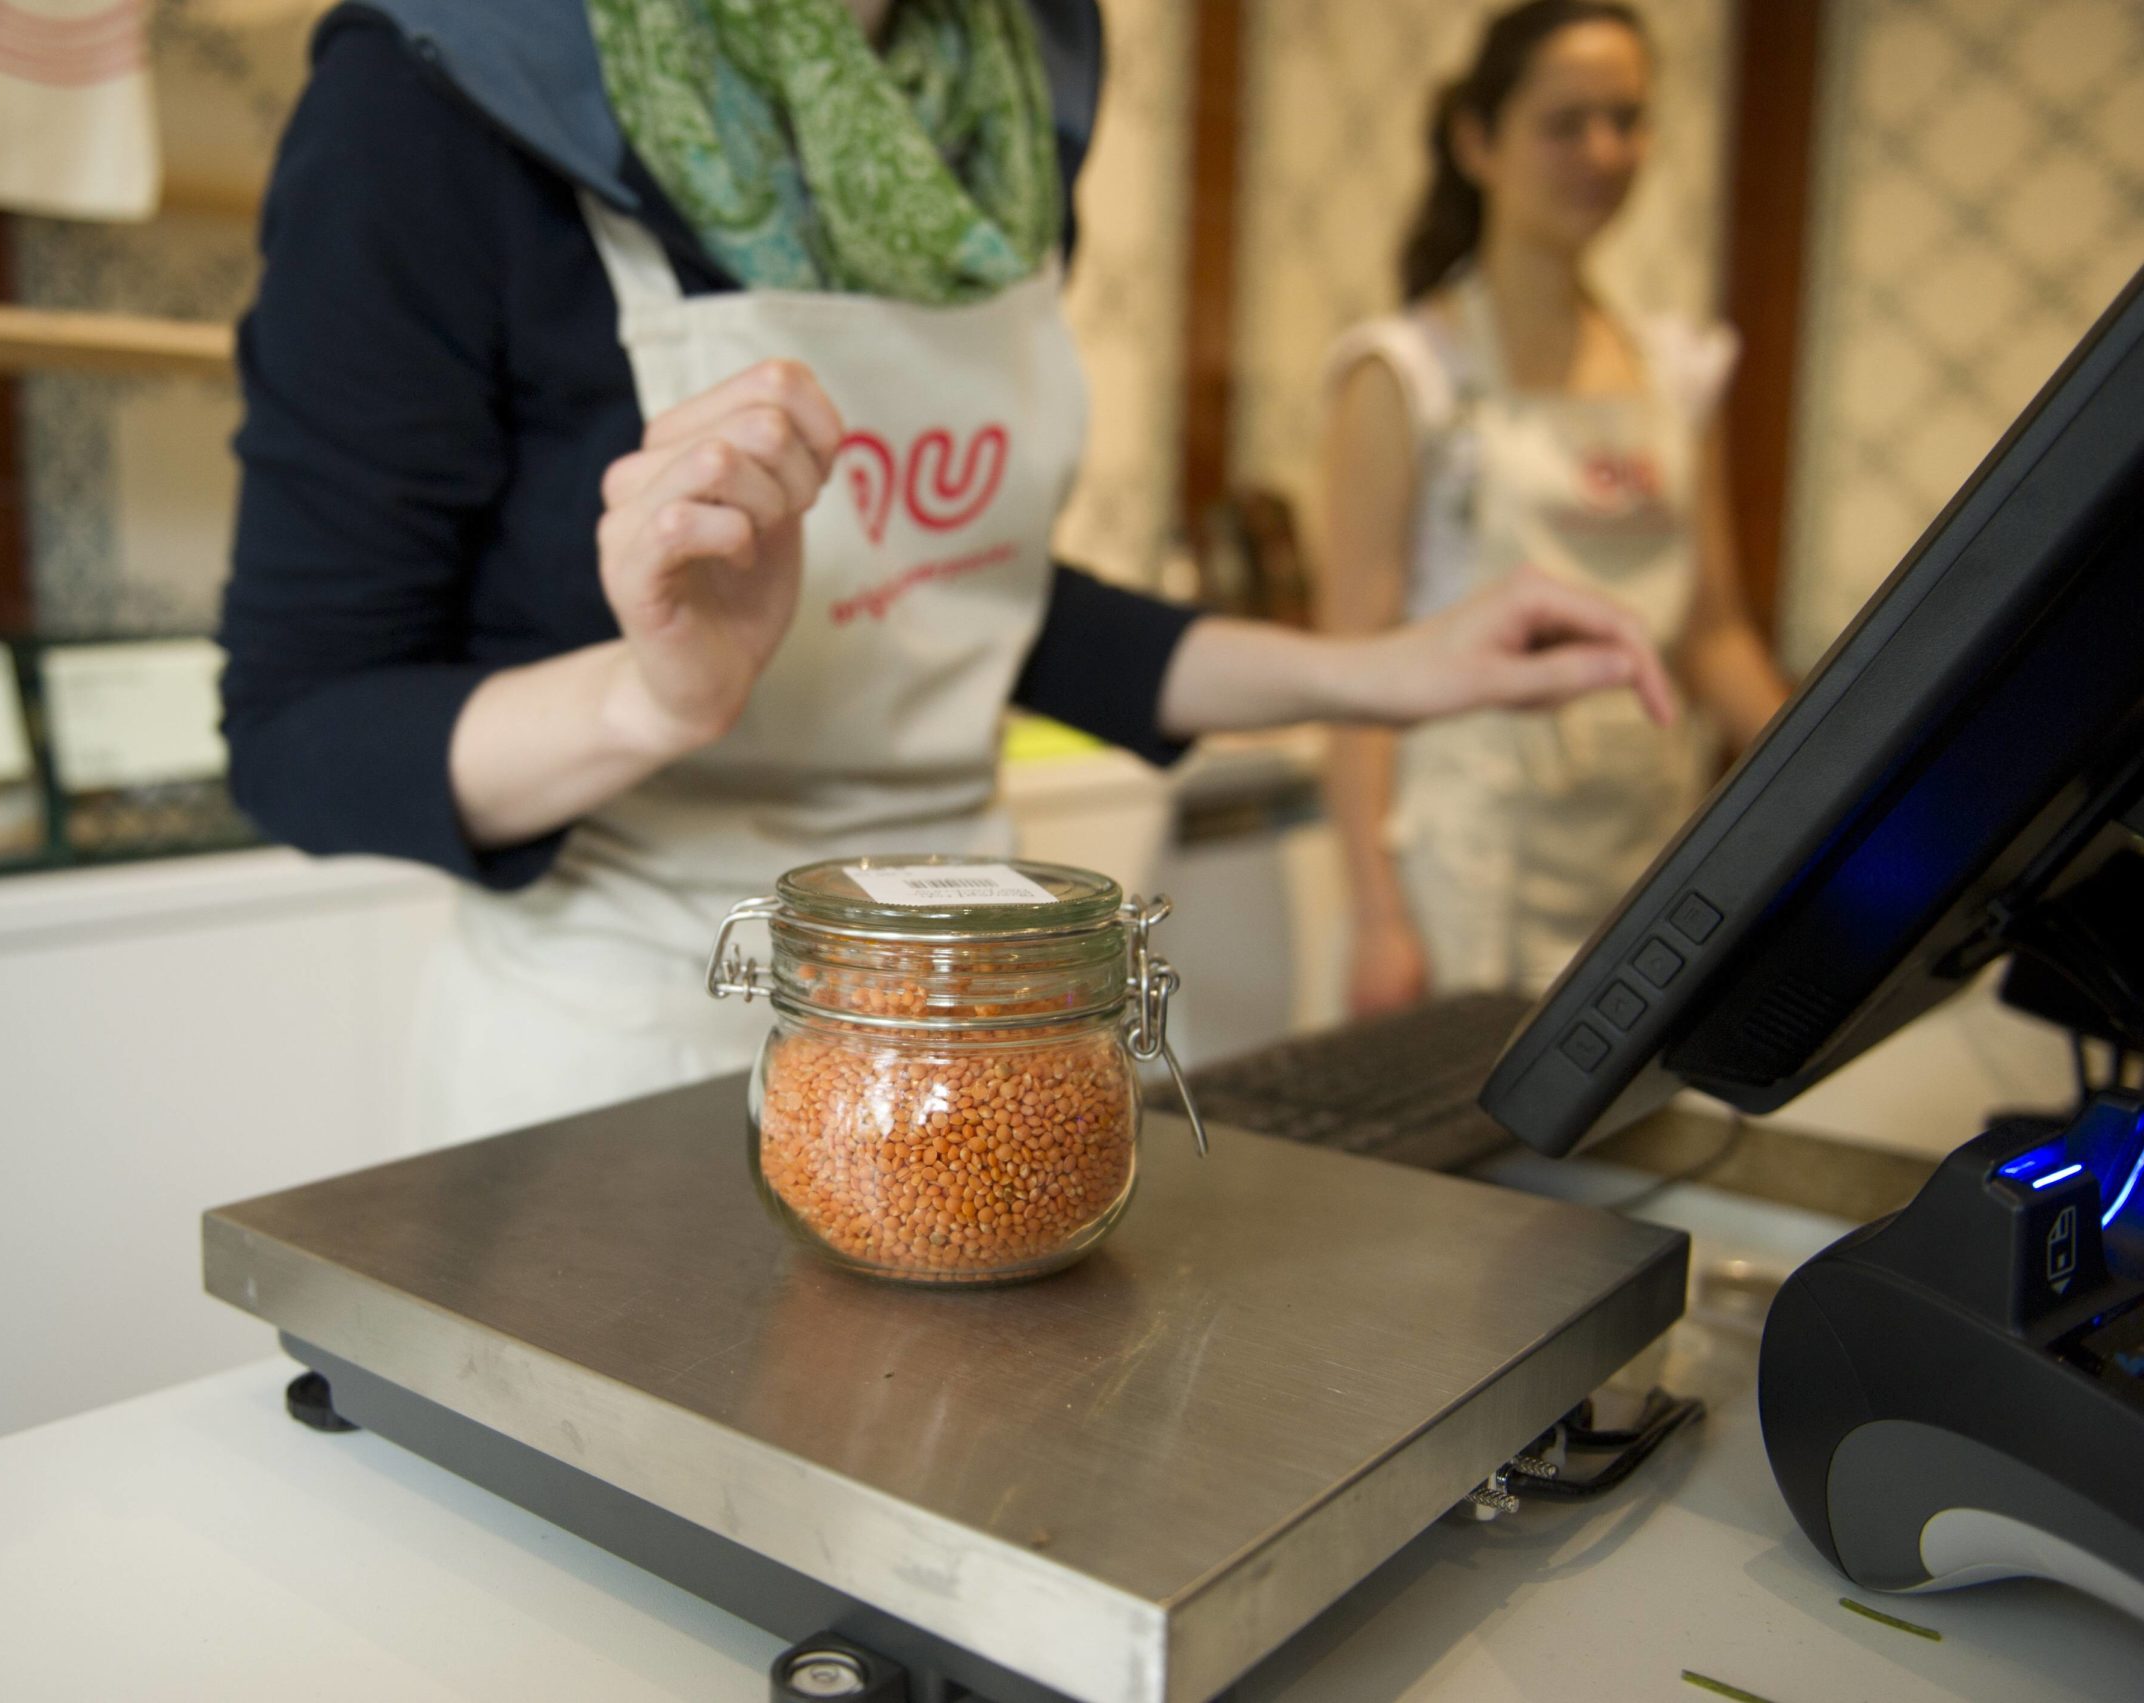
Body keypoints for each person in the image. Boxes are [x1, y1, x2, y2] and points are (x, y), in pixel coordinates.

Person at [221, 0, 1674, 1149]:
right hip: (636, 1039)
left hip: (974, 1019)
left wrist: (1378, 671)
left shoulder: (1013, 86)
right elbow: (300, 732)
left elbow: (971, 596)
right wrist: (653, 697)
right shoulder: (440, 90)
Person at [1316, 0, 1790, 1017]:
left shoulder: (1673, 371)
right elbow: (1353, 663)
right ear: (1476, 140)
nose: (1604, 151)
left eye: (1626, 119)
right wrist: (1376, 914)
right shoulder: (1405, 375)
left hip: (1642, 850)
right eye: (1565, 123)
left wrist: (1836, 786)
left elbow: (1711, 633)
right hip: (1467, 864)